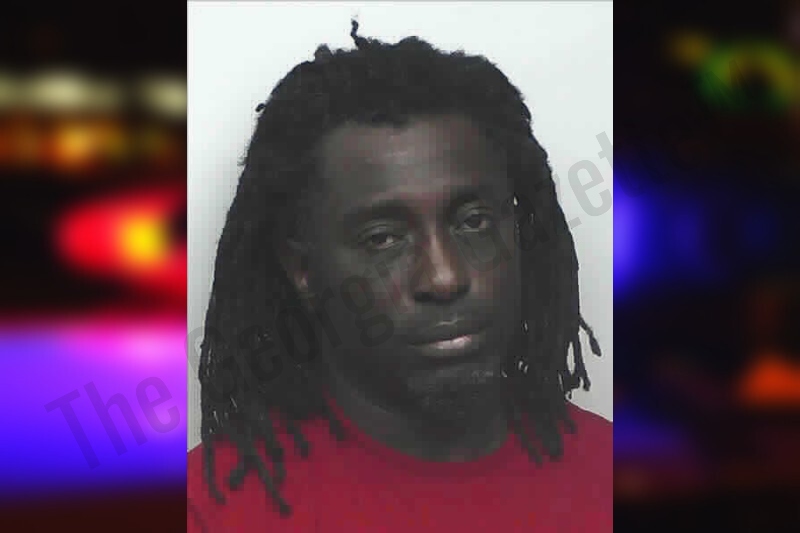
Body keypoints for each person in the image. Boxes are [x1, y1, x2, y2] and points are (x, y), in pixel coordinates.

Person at [188, 20, 611, 532]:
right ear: (302, 269)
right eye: (383, 239)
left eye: (474, 222)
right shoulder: (211, 509)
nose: (445, 277)